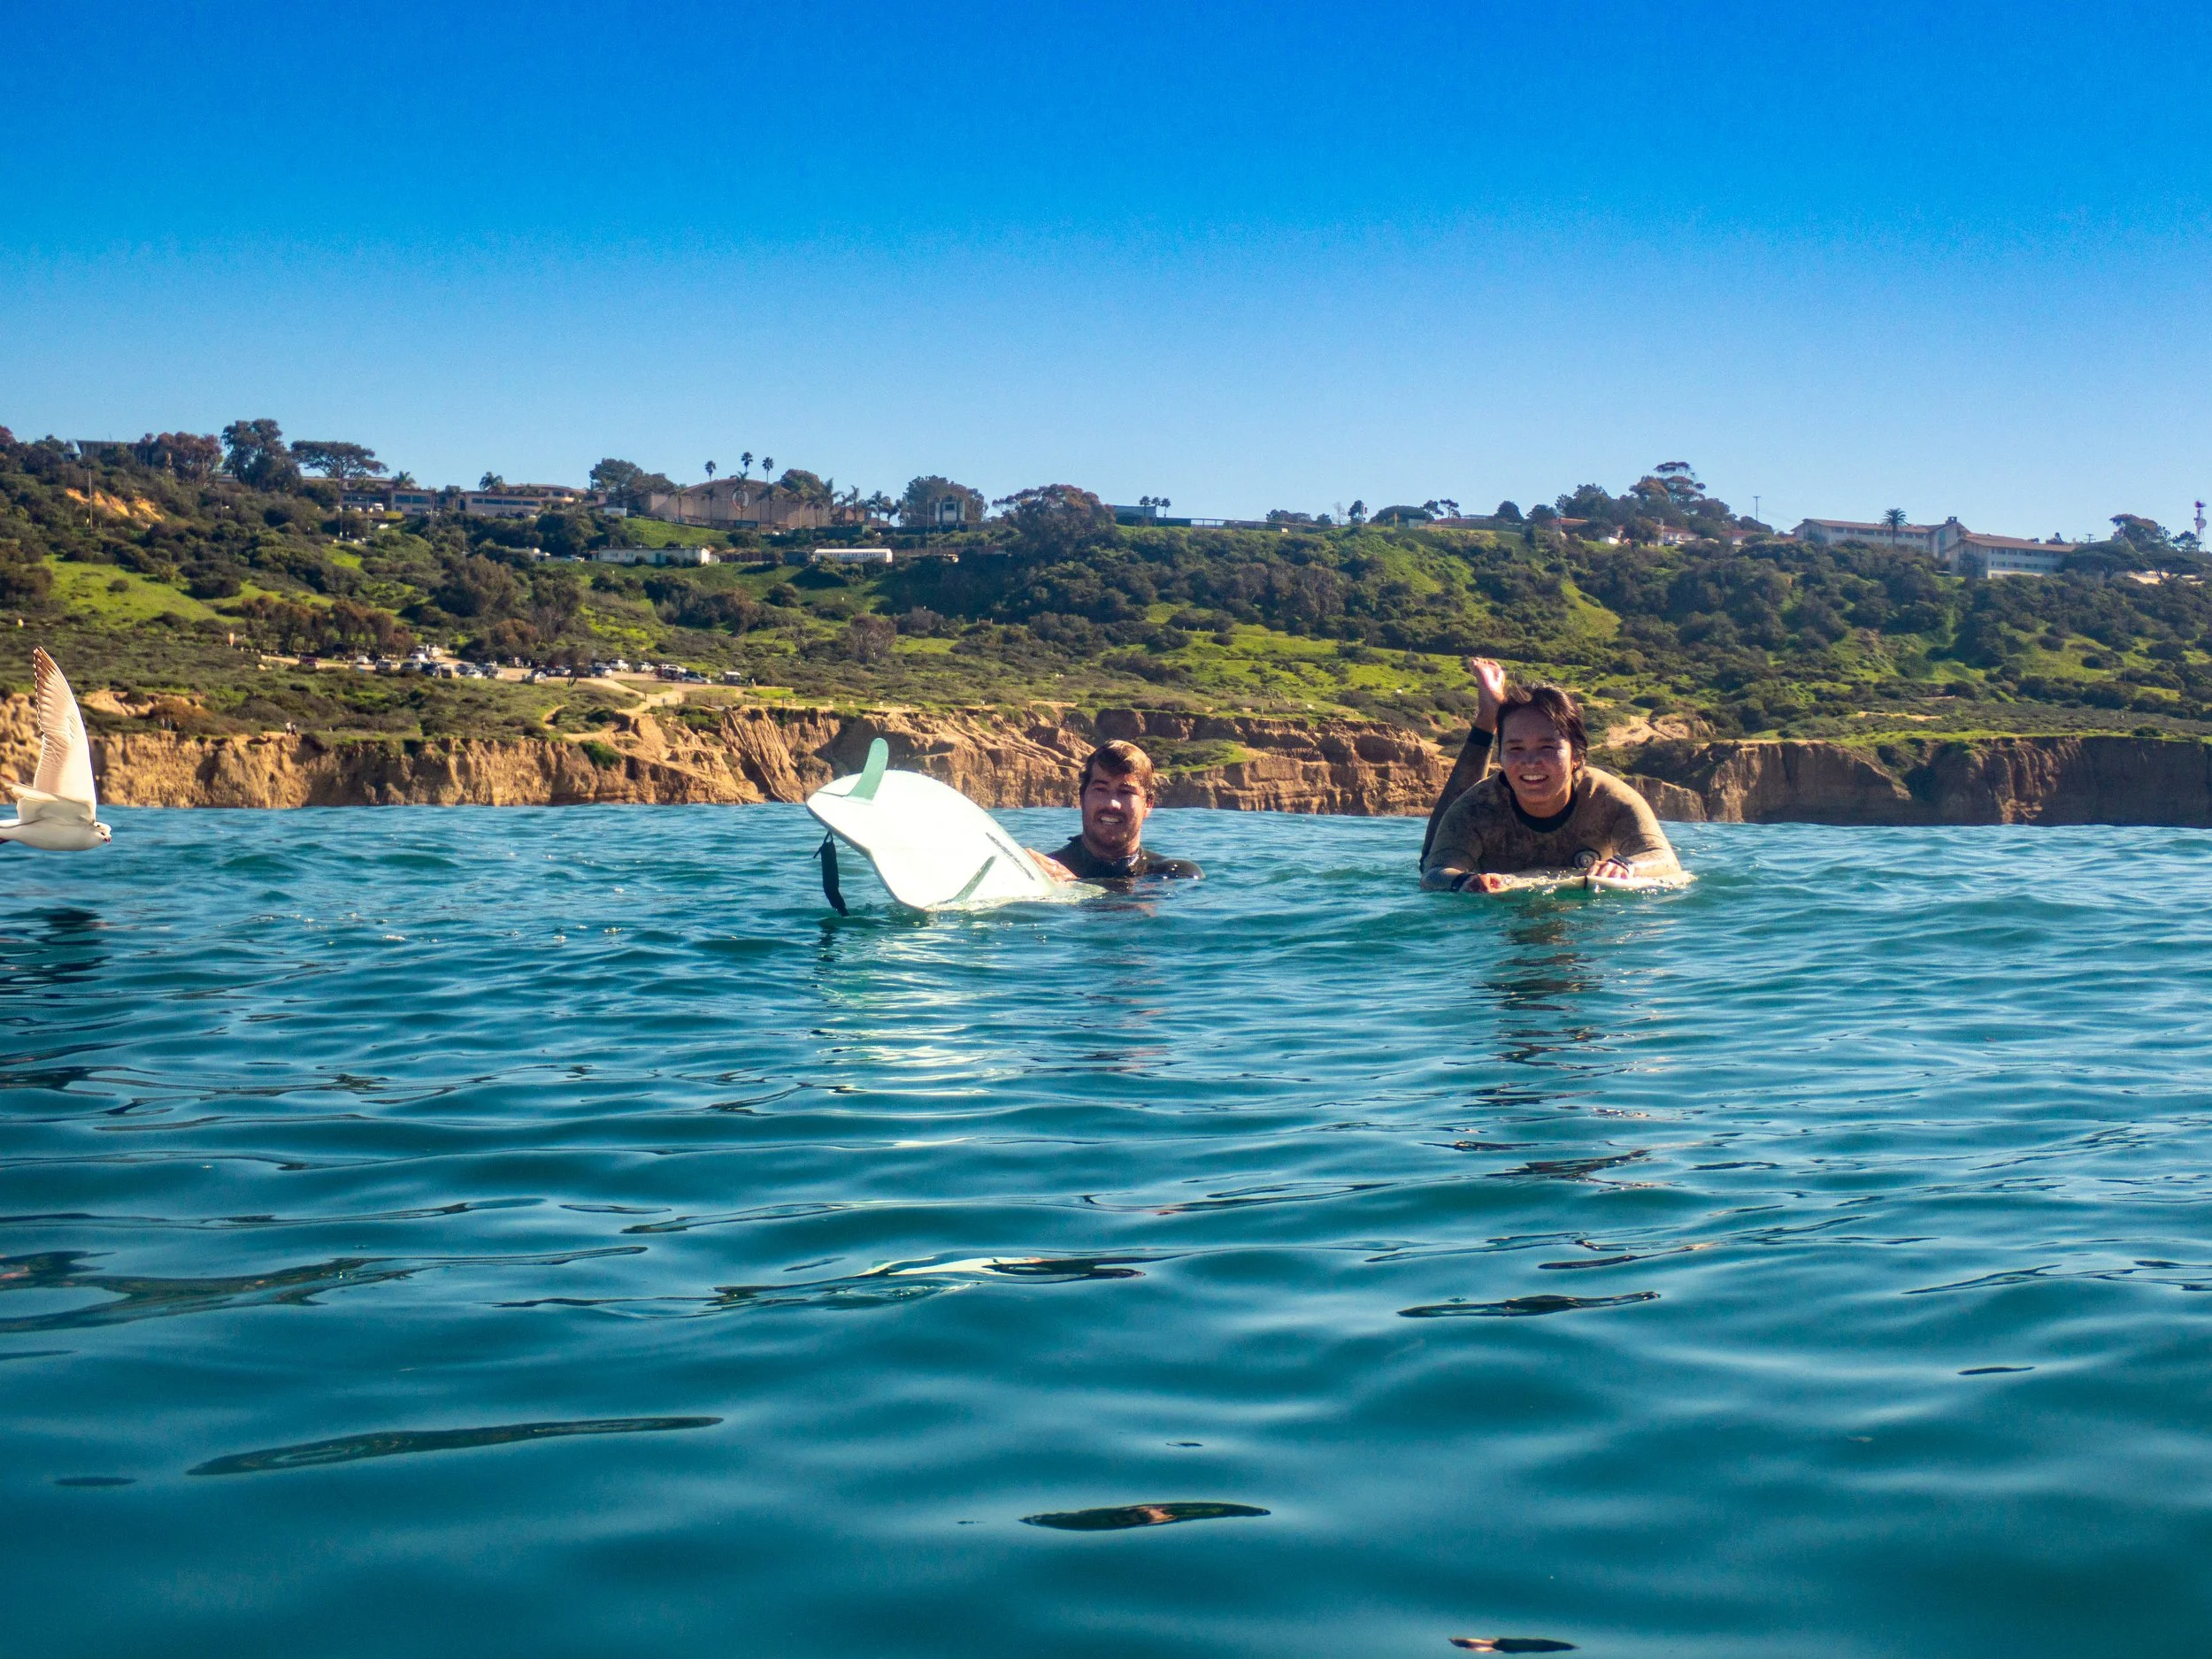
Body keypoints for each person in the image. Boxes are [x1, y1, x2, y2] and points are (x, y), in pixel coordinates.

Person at [1420, 657, 1680, 894]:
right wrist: (1463, 881)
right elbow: (1434, 874)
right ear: (1500, 758)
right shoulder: (1476, 808)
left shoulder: (1610, 800)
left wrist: (1626, 866)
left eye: (1547, 747)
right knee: (1429, 860)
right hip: (1497, 913)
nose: (1530, 762)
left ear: (1577, 756)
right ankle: (1489, 716)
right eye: (1515, 749)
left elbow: (1665, 861)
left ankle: (1494, 715)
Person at [1033, 740, 1202, 882]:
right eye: (1100, 789)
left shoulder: (1176, 875)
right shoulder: (1041, 871)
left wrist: (1072, 885)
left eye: (1125, 792)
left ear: (1148, 804)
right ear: (1082, 798)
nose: (1112, 804)